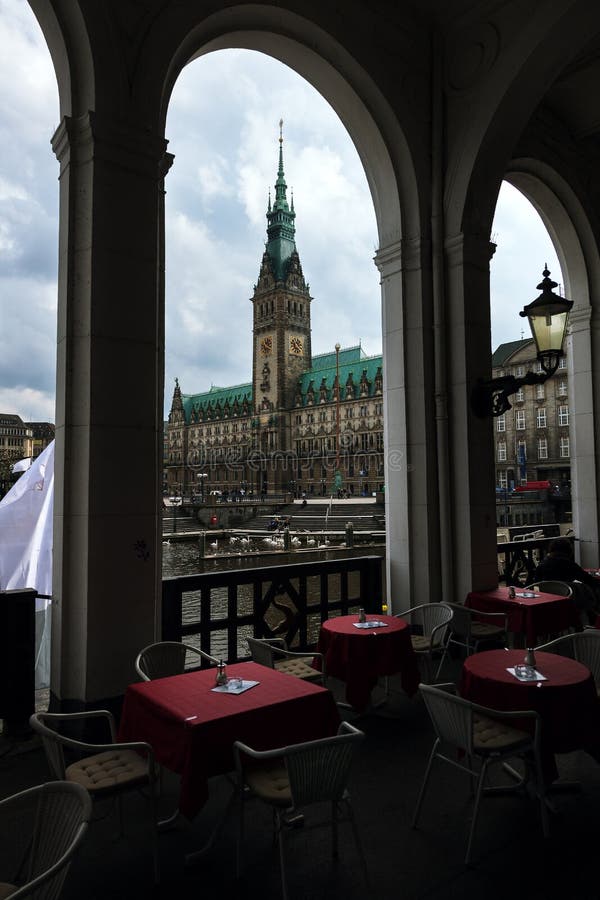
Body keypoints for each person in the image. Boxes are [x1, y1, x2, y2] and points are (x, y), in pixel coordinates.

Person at [532, 537, 600, 623]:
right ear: (568, 551)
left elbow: (535, 585)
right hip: (566, 601)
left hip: (546, 603)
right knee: (586, 591)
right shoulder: (568, 564)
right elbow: (588, 580)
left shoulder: (542, 565)